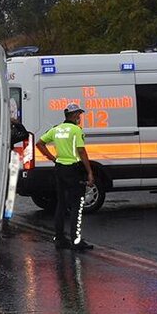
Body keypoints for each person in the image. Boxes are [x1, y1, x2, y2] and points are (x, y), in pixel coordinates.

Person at [36, 103, 95, 250]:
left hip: (59, 168)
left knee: (61, 204)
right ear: (74, 115)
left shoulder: (56, 129)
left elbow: (40, 143)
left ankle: (60, 239)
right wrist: (89, 172)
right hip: (73, 170)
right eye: (79, 115)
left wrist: (52, 158)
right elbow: (81, 152)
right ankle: (76, 241)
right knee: (77, 205)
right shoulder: (76, 130)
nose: (80, 118)